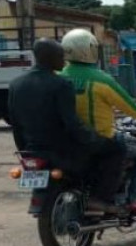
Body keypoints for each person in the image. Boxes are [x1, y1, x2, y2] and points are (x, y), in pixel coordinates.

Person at [8, 38, 125, 214]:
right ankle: (99, 199)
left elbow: (16, 124)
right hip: (62, 152)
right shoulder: (61, 84)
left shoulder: (16, 84)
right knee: (117, 148)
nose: (64, 61)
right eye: (61, 56)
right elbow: (72, 124)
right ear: (50, 58)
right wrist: (94, 138)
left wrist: (25, 150)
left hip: (32, 151)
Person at [60, 28, 136, 220]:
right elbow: (130, 106)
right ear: (90, 50)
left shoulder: (59, 76)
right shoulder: (101, 79)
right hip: (101, 137)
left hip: (68, 140)